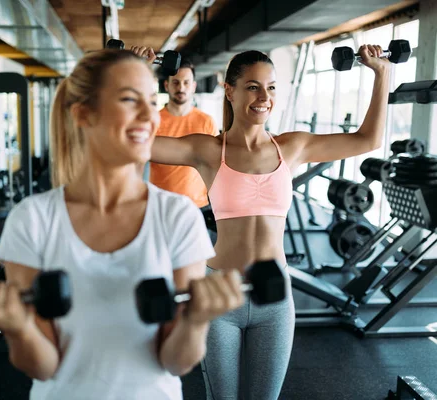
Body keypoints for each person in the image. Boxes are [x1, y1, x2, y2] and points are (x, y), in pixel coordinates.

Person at [0, 49, 246, 400]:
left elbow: (175, 362)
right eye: (129, 100)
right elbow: (43, 367)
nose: (150, 116)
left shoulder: (178, 217)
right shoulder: (32, 219)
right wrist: (18, 327)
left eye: (150, 99)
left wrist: (197, 320)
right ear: (84, 114)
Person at [136, 44, 390, 400]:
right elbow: (132, 142)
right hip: (221, 296)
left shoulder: (292, 146)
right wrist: (135, 75)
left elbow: (369, 139)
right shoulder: (208, 150)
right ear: (230, 90)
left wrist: (382, 73)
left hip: (275, 301)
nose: (263, 97)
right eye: (253, 86)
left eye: (271, 87)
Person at [144, 53, 219, 209]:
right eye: (176, 82)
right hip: (161, 205)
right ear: (166, 86)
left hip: (199, 206)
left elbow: (214, 165)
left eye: (186, 82)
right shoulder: (153, 121)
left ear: (193, 86)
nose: (181, 88)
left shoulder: (207, 121)